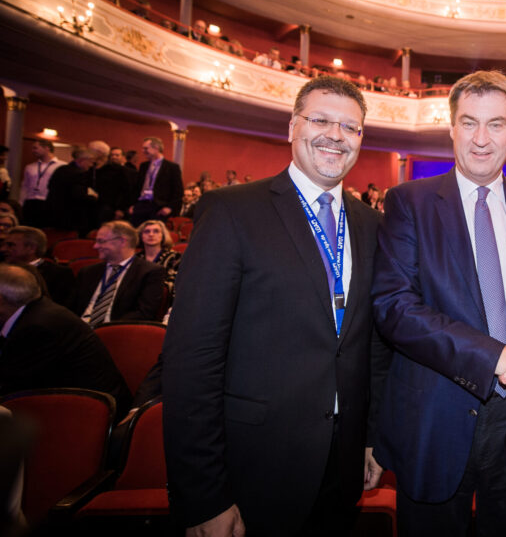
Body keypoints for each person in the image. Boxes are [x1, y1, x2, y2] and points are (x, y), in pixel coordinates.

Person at [163, 75, 390, 536]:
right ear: (292, 127)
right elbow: (192, 360)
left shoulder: (372, 225)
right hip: (253, 465)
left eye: (350, 127)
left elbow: (372, 348)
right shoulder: (230, 211)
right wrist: (203, 495)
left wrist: (371, 438)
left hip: (342, 463)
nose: (335, 135)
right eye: (320, 120)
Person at [372, 71, 506, 536]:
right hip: (434, 420)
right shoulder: (408, 202)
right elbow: (394, 307)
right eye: (469, 123)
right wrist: (494, 356)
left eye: (496, 124)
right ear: (451, 127)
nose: (482, 139)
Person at [0, 264, 130, 416]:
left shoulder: (38, 326)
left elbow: (10, 383)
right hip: (64, 402)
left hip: (87, 414)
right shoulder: (34, 312)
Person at [71, 221, 165, 325]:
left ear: (122, 241)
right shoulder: (88, 272)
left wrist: (106, 328)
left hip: (116, 331)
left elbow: (144, 313)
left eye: (101, 241)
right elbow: (71, 308)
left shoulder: (149, 272)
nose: (95, 246)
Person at [0, 227, 75, 307]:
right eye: (3, 245)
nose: (2, 249)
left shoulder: (59, 274)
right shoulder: (2, 268)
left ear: (31, 248)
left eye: (10, 245)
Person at [128, 137, 184, 226]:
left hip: (158, 208)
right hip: (141, 206)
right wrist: (133, 205)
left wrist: (169, 207)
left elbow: (178, 191)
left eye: (146, 148)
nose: (143, 151)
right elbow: (137, 187)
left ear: (156, 148)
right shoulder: (143, 166)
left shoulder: (172, 167)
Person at [18, 139, 65, 228]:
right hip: (30, 202)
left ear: (47, 148)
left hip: (48, 203)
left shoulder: (62, 166)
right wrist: (21, 203)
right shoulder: (30, 167)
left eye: (35, 148)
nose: (33, 151)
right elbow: (25, 186)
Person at [136, 220, 181, 298]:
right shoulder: (136, 258)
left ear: (162, 236)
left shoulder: (175, 257)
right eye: (147, 231)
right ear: (141, 236)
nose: (151, 234)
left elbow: (175, 285)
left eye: (156, 231)